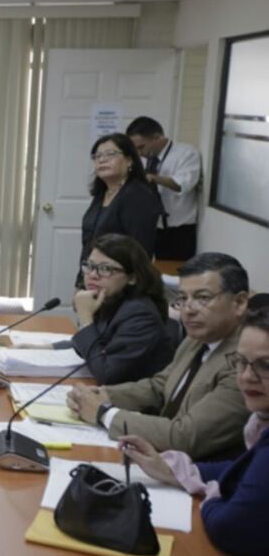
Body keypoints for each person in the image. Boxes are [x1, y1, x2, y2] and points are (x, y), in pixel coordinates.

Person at [119, 307, 269, 556]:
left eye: (265, 365)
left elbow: (229, 528)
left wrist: (214, 493)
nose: (246, 377)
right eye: (241, 362)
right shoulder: (261, 421)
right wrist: (175, 470)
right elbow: (242, 469)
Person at [67, 252, 251, 460]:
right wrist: (104, 394)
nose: (188, 310)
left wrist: (104, 413)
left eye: (203, 298)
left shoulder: (247, 364)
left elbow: (185, 436)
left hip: (201, 478)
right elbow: (160, 386)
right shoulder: (198, 337)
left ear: (240, 303)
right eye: (183, 298)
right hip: (161, 460)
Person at [52, 234, 174, 384]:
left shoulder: (140, 315)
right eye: (89, 266)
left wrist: (85, 318)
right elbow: (93, 343)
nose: (92, 275)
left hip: (131, 403)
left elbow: (106, 374)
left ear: (132, 278)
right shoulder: (111, 299)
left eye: (105, 269)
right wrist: (47, 347)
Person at [78, 133, 162, 285]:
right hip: (94, 277)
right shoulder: (102, 193)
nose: (102, 159)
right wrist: (80, 282)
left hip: (120, 283)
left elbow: (140, 250)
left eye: (111, 154)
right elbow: (88, 245)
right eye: (97, 156)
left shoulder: (138, 195)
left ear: (130, 160)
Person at [126, 116, 201, 261]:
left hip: (178, 231)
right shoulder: (147, 158)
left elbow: (183, 184)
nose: (139, 153)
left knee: (174, 277)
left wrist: (155, 179)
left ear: (157, 137)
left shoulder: (185, 153)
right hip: (154, 228)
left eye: (141, 147)